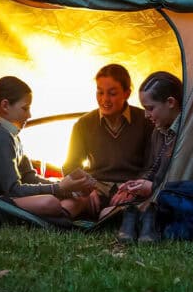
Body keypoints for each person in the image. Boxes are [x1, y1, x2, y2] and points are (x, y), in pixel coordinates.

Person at [0, 76, 95, 219]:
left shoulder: (11, 135)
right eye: (25, 108)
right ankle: (62, 217)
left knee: (77, 197)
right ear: (5, 106)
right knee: (50, 202)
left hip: (15, 197)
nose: (29, 115)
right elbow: (13, 190)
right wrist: (58, 189)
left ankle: (63, 214)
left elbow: (29, 177)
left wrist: (68, 188)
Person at [110, 71, 183, 244]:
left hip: (175, 198)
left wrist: (152, 187)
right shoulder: (158, 133)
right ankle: (141, 218)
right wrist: (136, 184)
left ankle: (146, 220)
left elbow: (191, 177)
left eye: (150, 108)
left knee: (115, 213)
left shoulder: (189, 132)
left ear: (171, 102)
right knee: (108, 211)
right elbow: (150, 168)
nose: (146, 115)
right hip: (155, 195)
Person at [63, 64, 153, 204]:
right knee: (69, 206)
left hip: (132, 188)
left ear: (126, 93)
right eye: (100, 92)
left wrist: (133, 188)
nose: (105, 99)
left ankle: (111, 214)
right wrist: (87, 188)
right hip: (96, 187)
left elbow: (152, 165)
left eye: (112, 93)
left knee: (113, 212)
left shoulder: (146, 120)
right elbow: (71, 166)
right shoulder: (83, 124)